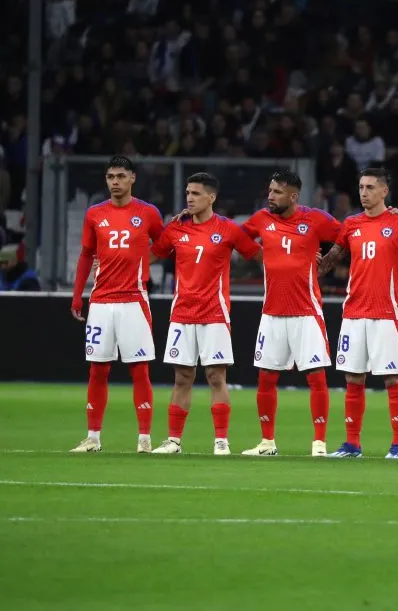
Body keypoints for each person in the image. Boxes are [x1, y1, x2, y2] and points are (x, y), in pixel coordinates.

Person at [149, 173, 261, 455]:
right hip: (182, 314)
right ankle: (173, 440)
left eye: (196, 193)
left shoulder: (228, 229)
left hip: (214, 314)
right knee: (182, 378)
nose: (189, 198)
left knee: (215, 377)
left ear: (211, 197)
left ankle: (221, 441)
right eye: (188, 192)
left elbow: (258, 255)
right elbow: (150, 256)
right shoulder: (175, 229)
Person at [319, 168, 398, 459]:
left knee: (392, 379)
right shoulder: (351, 224)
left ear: (384, 191)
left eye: (370, 187)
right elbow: (329, 262)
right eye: (361, 186)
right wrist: (309, 263)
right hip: (353, 312)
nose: (364, 192)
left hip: (386, 312)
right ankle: (352, 444)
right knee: (353, 378)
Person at [241, 170, 342, 457]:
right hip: (272, 312)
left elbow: (349, 236)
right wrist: (259, 255)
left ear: (293, 196)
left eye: (276, 192)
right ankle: (267, 442)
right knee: (266, 378)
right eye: (270, 191)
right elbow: (234, 237)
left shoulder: (316, 219)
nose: (270, 196)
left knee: (316, 378)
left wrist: (328, 262)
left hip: (306, 312)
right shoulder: (261, 219)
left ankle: (319, 444)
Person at [69, 156, 164, 453]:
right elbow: (86, 255)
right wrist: (77, 295)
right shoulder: (95, 214)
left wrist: (144, 263)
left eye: (121, 176)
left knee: (139, 370)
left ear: (132, 178)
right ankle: (93, 438)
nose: (114, 181)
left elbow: (164, 245)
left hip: (134, 301)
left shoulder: (147, 213)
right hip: (100, 302)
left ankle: (145, 439)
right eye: (110, 176)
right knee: (98, 370)